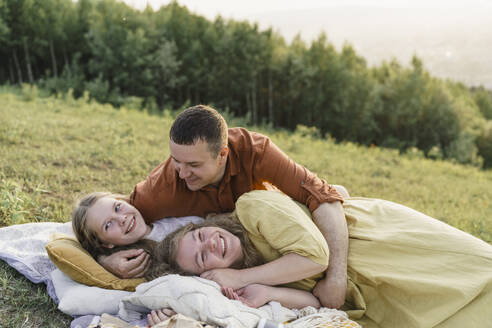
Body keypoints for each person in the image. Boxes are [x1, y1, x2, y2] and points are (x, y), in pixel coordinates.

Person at [75, 189, 492, 328]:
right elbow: (312, 300)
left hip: (376, 244)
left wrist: (241, 277)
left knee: (477, 278)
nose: (211, 246)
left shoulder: (253, 206)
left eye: (203, 235)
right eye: (202, 258)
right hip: (372, 295)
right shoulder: (236, 269)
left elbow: (315, 255)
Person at [99, 104, 349, 308]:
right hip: (272, 262)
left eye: (194, 166)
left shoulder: (256, 152)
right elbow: (110, 220)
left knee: (336, 195)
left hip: (283, 229)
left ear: (222, 155)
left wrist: (337, 278)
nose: (182, 174)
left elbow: (323, 198)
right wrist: (104, 259)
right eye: (176, 161)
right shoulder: (159, 191)